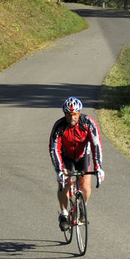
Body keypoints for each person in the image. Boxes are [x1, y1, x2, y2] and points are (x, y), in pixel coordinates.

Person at [49, 96, 104, 230]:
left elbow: (96, 145)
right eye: (69, 114)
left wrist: (98, 168)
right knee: (65, 183)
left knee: (85, 187)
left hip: (83, 156)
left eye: (75, 114)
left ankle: (82, 206)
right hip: (66, 157)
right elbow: (54, 148)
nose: (72, 118)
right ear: (65, 114)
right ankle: (64, 214)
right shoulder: (59, 126)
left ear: (79, 113)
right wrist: (59, 170)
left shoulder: (88, 123)